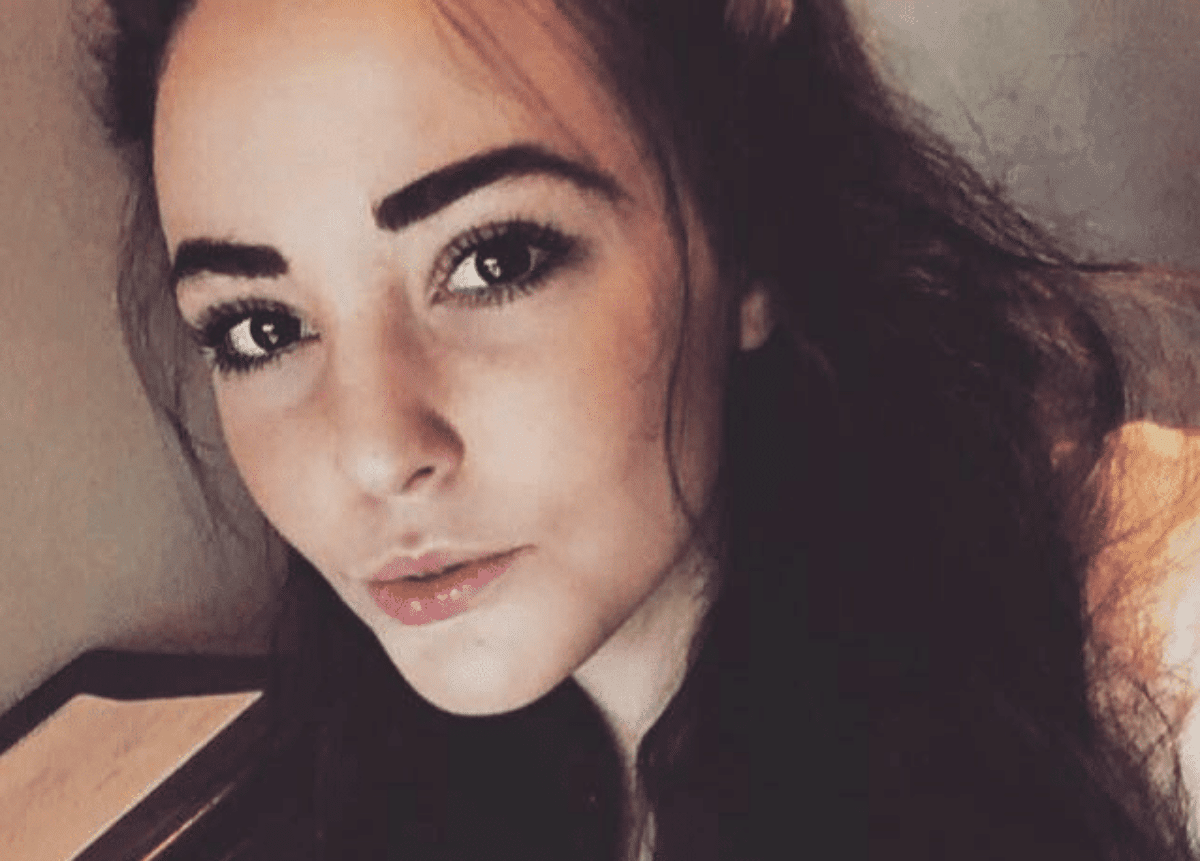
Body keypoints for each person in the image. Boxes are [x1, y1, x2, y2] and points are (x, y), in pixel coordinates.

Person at [85, 0, 1197, 857]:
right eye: (261, 328)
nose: (372, 453)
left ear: (748, 234)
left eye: (494, 260)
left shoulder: (1143, 646)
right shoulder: (365, 778)